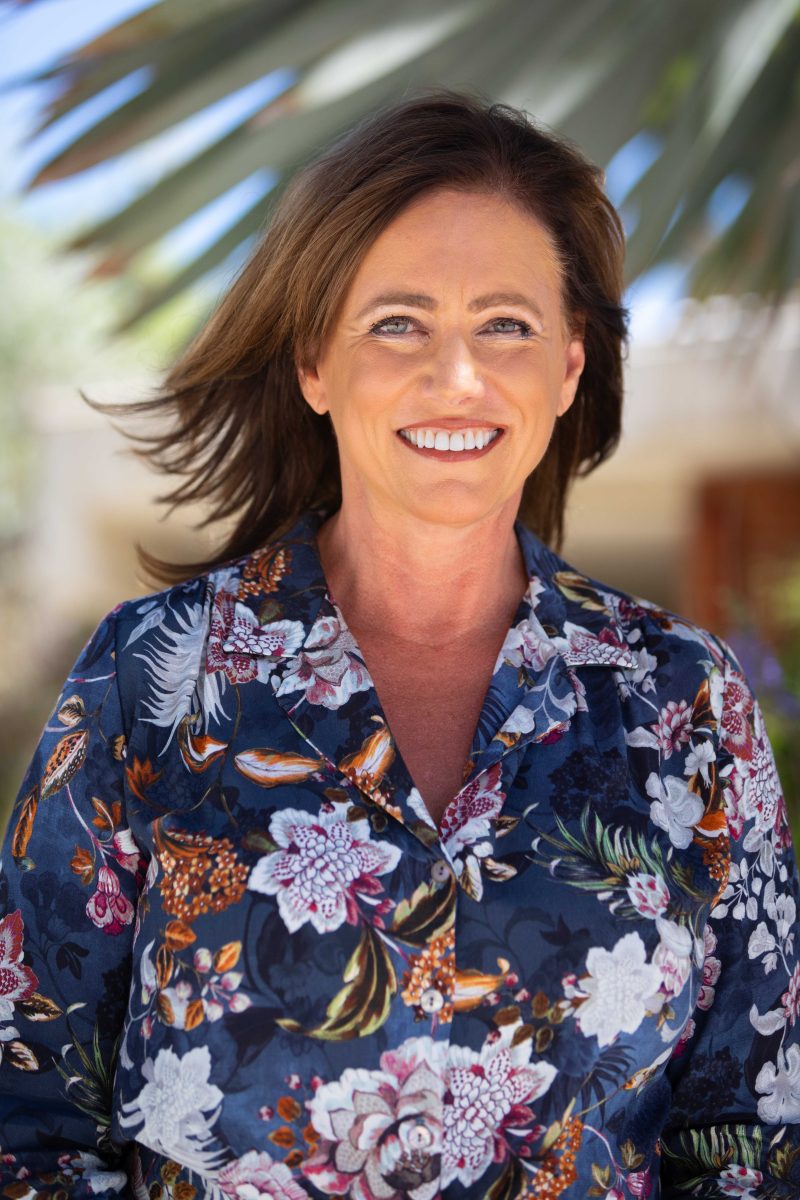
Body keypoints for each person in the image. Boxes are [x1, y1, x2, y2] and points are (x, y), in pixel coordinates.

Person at [0, 90, 797, 1200]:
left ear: (567, 368)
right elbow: (24, 1104)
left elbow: (751, 1137)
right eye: (397, 323)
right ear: (314, 364)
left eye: (505, 326)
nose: (455, 377)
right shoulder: (153, 677)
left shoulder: (684, 704)